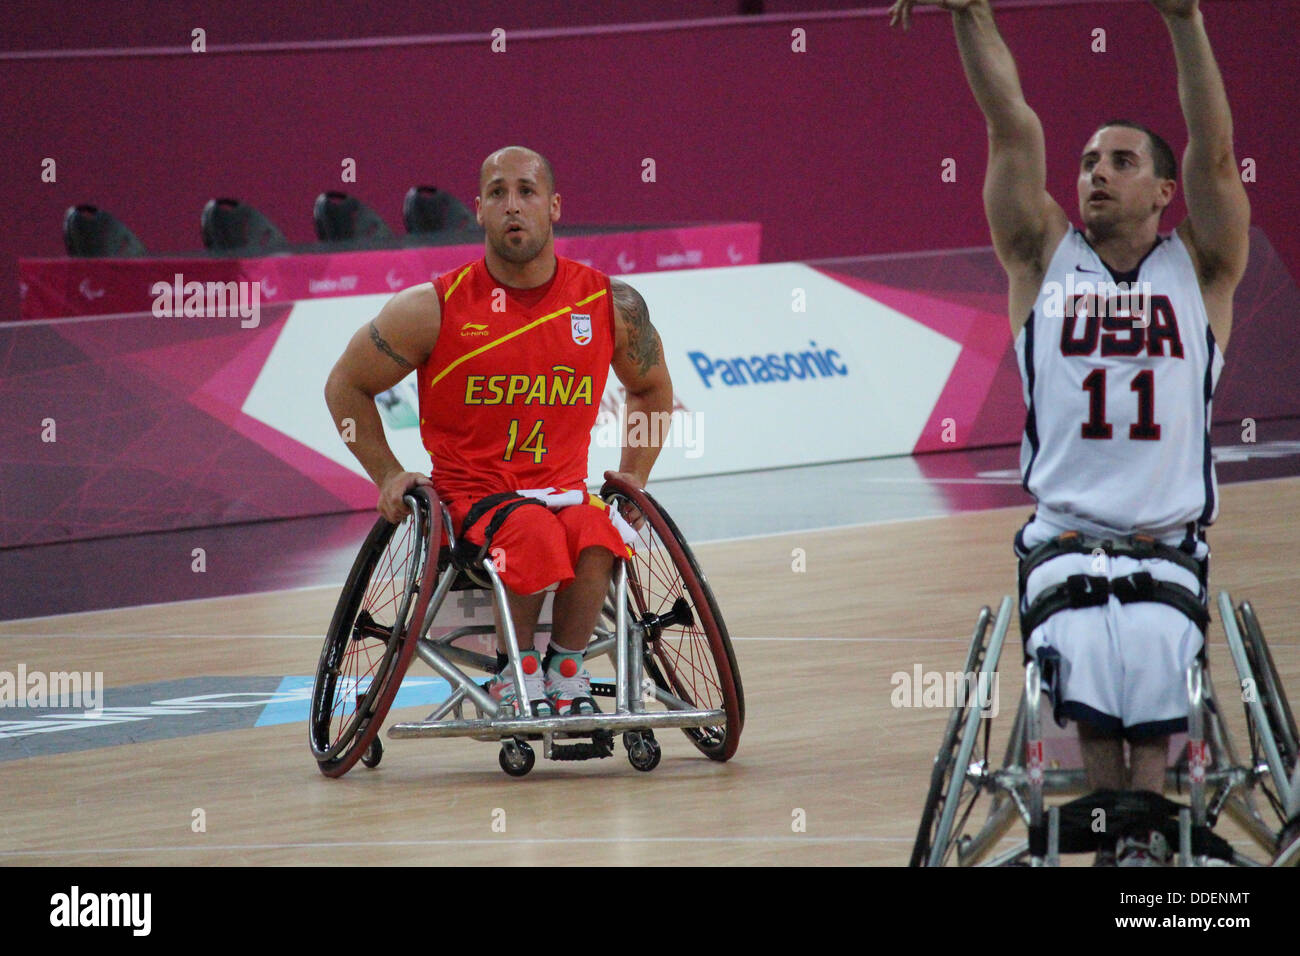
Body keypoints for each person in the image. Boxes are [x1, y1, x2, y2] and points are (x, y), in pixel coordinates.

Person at [891, 0, 1249, 864]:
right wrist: (969, 12)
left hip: (1169, 542)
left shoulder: (1199, 268)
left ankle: (1141, 835)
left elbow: (1215, 151)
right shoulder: (1040, 254)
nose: (1094, 173)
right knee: (1083, 649)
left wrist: (1183, 18)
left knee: (1162, 649)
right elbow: (1012, 126)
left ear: (1165, 192)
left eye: (1120, 162)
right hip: (1064, 540)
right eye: (1089, 161)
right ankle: (1118, 826)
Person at [324, 145, 673, 718]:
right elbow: (345, 386)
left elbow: (654, 389)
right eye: (497, 193)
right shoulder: (431, 308)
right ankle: (516, 674)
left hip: (563, 492)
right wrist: (387, 475)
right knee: (532, 529)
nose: (513, 206)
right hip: (472, 500)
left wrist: (633, 477)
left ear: (554, 206)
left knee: (597, 530)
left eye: (527, 192)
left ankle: (564, 669)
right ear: (479, 211)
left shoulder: (609, 303)